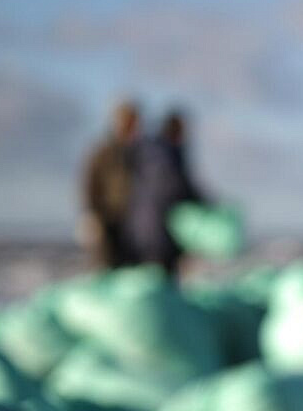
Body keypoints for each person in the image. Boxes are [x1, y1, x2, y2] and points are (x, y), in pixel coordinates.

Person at [126, 110, 207, 280]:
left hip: (143, 226)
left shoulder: (150, 152)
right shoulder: (165, 156)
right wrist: (205, 203)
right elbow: (176, 186)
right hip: (158, 229)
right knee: (159, 279)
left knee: (152, 277)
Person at [79, 100, 140, 270]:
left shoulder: (139, 152)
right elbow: (89, 185)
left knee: (128, 267)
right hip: (107, 219)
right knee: (106, 264)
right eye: (129, 121)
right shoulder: (103, 152)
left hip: (132, 221)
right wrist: (91, 215)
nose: (133, 127)